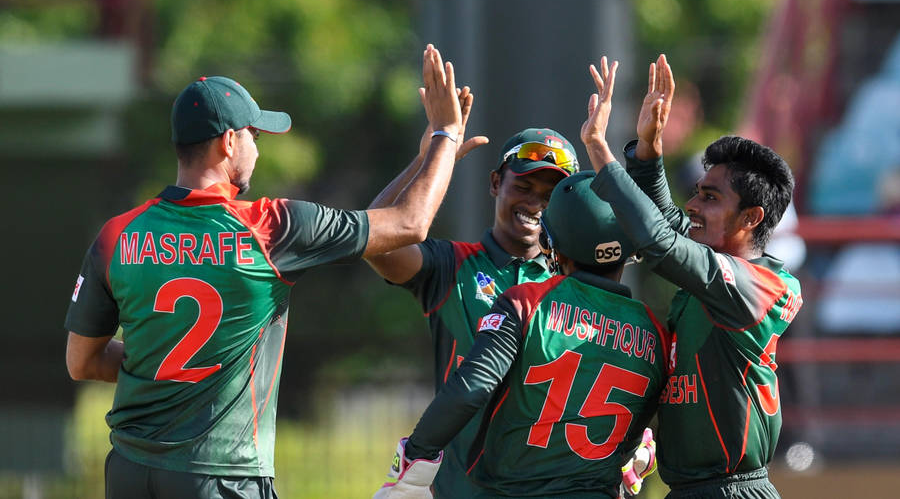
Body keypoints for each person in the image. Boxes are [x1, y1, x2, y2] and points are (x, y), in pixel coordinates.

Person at [63, 44, 464, 499]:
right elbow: (410, 224)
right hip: (222, 474)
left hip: (130, 471)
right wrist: (445, 135)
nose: (256, 147)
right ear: (229, 142)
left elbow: (82, 361)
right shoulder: (271, 227)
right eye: (254, 134)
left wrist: (158, 368)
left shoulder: (117, 235)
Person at [580, 55, 802, 498]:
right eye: (697, 193)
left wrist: (600, 151)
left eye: (710, 197)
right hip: (689, 488)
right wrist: (648, 150)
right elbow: (665, 221)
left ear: (751, 218)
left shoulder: (759, 286)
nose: (693, 205)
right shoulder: (714, 262)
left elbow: (660, 240)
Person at [372, 171, 670, 499]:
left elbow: (472, 388)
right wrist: (634, 445)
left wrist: (414, 459)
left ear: (552, 244)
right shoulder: (656, 332)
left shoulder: (528, 302)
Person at [366, 124, 581, 497]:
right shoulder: (453, 264)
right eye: (524, 187)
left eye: (550, 196)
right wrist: (426, 161)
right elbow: (376, 240)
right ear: (496, 182)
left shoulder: (573, 286)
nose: (535, 204)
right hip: (459, 489)